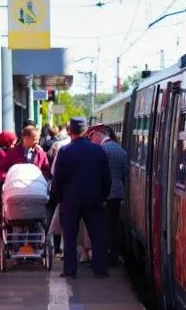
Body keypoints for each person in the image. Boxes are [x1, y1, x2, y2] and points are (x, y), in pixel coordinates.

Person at [51, 117, 111, 278]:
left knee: (70, 236)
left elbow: (58, 178)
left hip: (70, 201)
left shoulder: (65, 151)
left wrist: (57, 197)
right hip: (94, 199)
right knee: (97, 235)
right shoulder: (98, 151)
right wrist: (103, 196)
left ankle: (70, 270)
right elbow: (106, 177)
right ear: (86, 131)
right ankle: (100, 269)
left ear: (70, 132)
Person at [94, 126, 128, 265]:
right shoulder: (121, 150)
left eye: (94, 136)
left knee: (104, 225)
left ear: (99, 135)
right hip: (118, 191)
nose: (93, 140)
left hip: (105, 192)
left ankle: (106, 255)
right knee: (114, 225)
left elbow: (97, 173)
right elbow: (125, 171)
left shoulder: (101, 150)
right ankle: (115, 253)